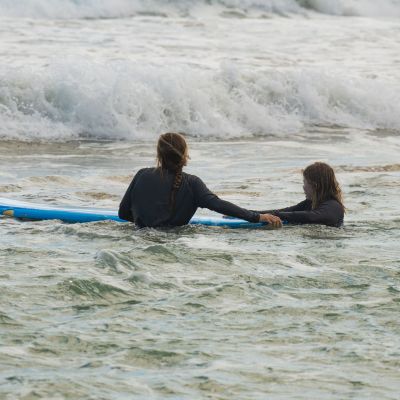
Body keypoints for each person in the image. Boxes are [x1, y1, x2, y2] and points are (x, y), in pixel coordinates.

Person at [119, 132, 282, 228]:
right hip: (171, 244)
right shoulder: (192, 183)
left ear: (159, 154)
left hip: (140, 240)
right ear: (184, 154)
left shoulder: (141, 174)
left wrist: (145, 222)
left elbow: (123, 213)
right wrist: (257, 217)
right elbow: (219, 205)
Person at [255, 162, 345, 227]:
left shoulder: (334, 206)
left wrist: (276, 215)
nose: (303, 187)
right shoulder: (309, 203)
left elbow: (311, 217)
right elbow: (287, 211)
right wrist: (254, 214)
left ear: (315, 186)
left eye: (305, 183)